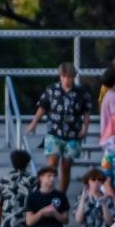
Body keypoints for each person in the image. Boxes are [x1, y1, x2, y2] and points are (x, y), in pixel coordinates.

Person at [30, 62, 91, 194]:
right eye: (64, 76)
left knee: (66, 166)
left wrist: (85, 128)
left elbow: (86, 111)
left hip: (73, 134)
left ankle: (62, 195)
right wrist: (34, 122)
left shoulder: (81, 92)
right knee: (52, 164)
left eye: (69, 77)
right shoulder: (52, 89)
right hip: (54, 132)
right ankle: (48, 191)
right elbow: (43, 106)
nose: (66, 80)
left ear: (73, 77)